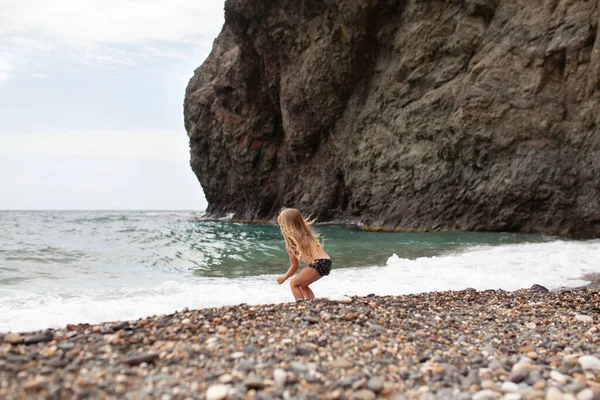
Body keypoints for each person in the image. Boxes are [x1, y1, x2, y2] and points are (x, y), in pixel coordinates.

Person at [276, 208, 331, 300]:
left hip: (319, 263)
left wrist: (284, 278)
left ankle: (300, 304)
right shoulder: (307, 234)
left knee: (293, 284)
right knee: (303, 285)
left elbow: (294, 266)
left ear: (286, 225)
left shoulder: (293, 242)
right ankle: (311, 302)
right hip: (327, 262)